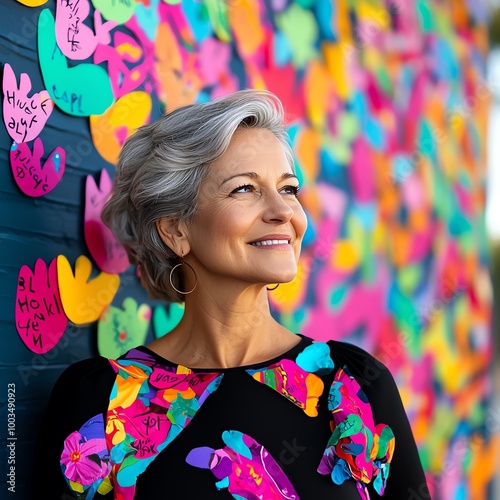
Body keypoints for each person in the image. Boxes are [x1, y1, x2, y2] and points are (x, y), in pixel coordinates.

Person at [33, 90, 429, 499]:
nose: (283, 212)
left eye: (288, 189)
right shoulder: (100, 399)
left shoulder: (352, 385)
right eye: (244, 189)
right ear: (176, 230)